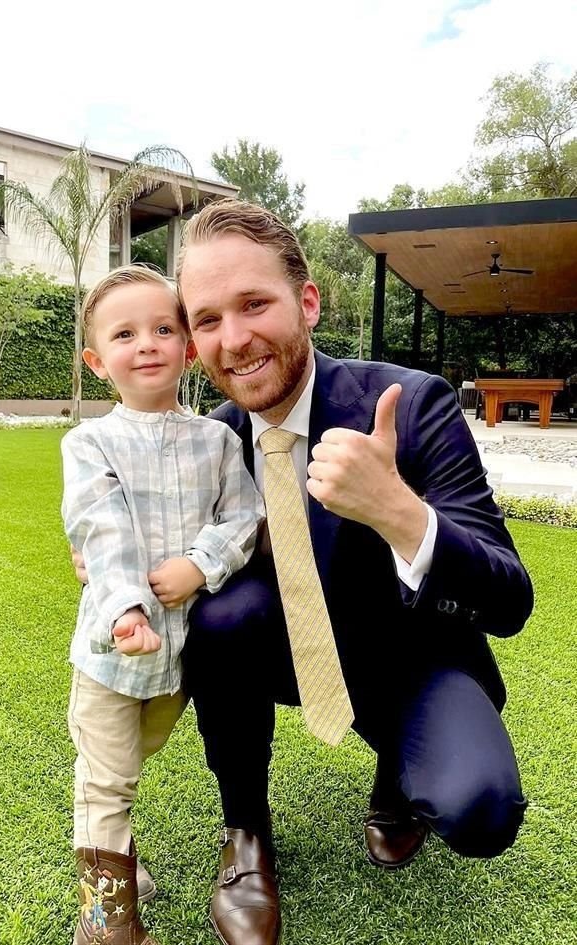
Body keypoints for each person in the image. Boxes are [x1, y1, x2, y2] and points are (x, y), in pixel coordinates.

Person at [164, 198, 534, 945]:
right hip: (282, 649)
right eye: (207, 319)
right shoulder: (205, 446)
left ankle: (398, 775)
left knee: (482, 807)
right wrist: (111, 568)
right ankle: (245, 833)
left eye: (254, 304)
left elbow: (510, 598)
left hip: (406, 656)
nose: (233, 339)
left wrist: (399, 511)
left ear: (307, 302)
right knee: (218, 615)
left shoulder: (412, 403)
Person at [62, 264, 264, 945]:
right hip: (112, 656)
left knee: (126, 766)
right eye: (125, 333)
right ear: (97, 360)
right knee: (104, 784)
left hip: (181, 660)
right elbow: (101, 528)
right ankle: (108, 923)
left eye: (163, 328)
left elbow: (243, 517)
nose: (146, 342)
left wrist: (197, 565)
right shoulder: (89, 443)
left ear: (187, 347)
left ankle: (118, 852)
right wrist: (126, 608)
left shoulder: (218, 441)